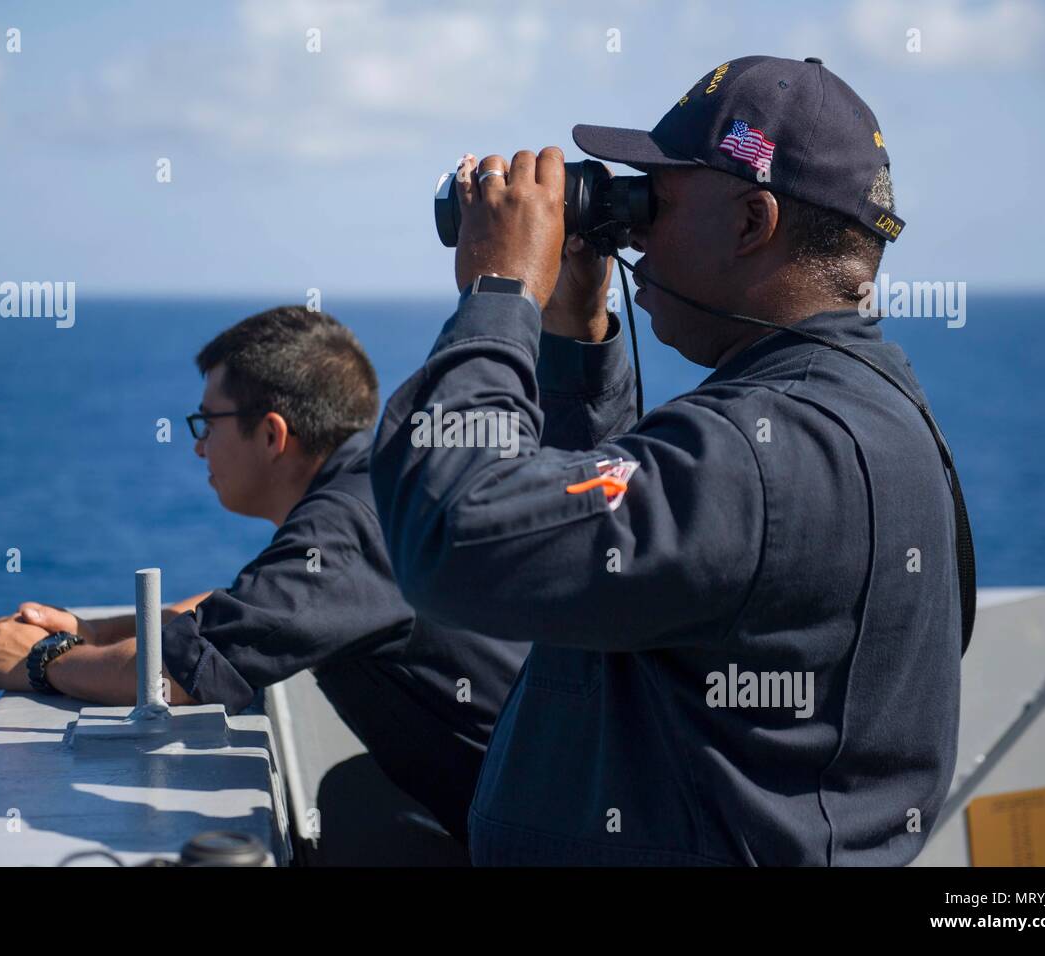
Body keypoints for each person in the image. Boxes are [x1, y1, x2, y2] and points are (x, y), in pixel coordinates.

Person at [370, 56, 966, 865]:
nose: (634, 233)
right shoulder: (876, 413)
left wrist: (500, 293)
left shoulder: (766, 451)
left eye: (658, 197)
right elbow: (601, 554)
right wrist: (571, 345)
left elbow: (455, 541)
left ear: (753, 221)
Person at [0, 305, 530, 846]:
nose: (198, 446)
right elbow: (249, 607)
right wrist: (93, 631)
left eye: (206, 423)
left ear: (271, 434)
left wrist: (42, 662)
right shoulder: (377, 489)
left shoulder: (346, 529)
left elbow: (185, 671)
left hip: (538, 833)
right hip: (535, 793)